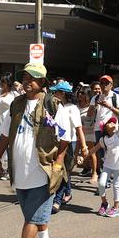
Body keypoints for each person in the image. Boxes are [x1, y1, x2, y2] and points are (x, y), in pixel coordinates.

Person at [0, 63, 71, 238]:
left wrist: (59, 162)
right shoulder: (16, 104)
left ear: (43, 82)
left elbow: (66, 138)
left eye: (32, 78)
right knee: (33, 214)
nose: (27, 82)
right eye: (25, 78)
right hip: (20, 171)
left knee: (33, 217)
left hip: (43, 169)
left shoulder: (53, 105)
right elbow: (4, 134)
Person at [50, 81, 87, 213]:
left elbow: (79, 129)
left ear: (63, 93)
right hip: (58, 142)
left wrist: (83, 148)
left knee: (62, 171)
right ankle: (68, 193)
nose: (53, 94)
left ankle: (57, 201)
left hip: (70, 143)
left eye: (56, 92)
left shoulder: (73, 108)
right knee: (65, 171)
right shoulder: (59, 106)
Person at [90, 111, 119, 217]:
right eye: (110, 123)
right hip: (108, 165)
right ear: (105, 128)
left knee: (116, 186)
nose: (113, 124)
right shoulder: (103, 139)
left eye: (113, 122)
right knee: (101, 184)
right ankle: (104, 203)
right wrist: (83, 156)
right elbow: (93, 150)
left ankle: (116, 208)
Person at [87, 75, 119, 177]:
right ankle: (105, 178)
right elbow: (89, 115)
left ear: (111, 85)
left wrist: (110, 106)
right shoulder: (96, 97)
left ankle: (111, 175)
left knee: (111, 153)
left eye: (106, 83)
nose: (103, 86)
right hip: (99, 128)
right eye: (102, 83)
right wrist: (94, 105)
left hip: (112, 129)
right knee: (102, 155)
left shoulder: (116, 97)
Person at [0, 74, 16, 180]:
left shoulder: (14, 94)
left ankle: (7, 170)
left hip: (9, 122)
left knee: (8, 148)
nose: (1, 83)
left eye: (3, 81)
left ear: (8, 83)